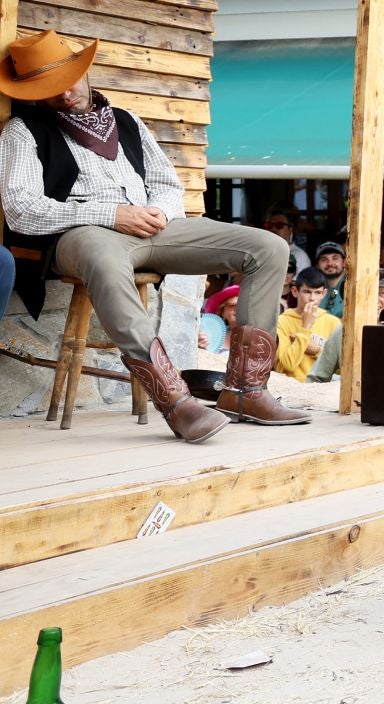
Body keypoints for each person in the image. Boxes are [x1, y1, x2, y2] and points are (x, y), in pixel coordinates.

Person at [0, 29, 300, 442]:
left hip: (155, 226)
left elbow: (166, 183)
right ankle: (177, 403)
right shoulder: (22, 131)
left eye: (68, 82)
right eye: (49, 90)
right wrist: (111, 213)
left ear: (84, 73)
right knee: (104, 258)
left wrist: (160, 212)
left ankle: (247, 392)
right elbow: (21, 209)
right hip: (82, 234)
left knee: (268, 247)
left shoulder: (126, 121)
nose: (64, 95)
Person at [276, 266, 341, 381]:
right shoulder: (282, 321)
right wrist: (305, 327)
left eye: (317, 293)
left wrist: (317, 352)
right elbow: (287, 365)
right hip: (291, 389)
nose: (312, 298)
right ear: (295, 291)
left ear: (324, 294)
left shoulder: (333, 322)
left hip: (321, 390)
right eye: (307, 292)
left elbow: (340, 369)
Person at [263, 205, 311, 272]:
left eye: (279, 225)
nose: (273, 229)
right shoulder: (261, 253)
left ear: (290, 229)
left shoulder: (299, 257)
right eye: (269, 225)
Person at [314, 241, 347, 317]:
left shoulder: (352, 287)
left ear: (344, 262)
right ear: (317, 266)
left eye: (335, 258)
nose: (330, 263)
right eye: (324, 259)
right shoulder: (315, 289)